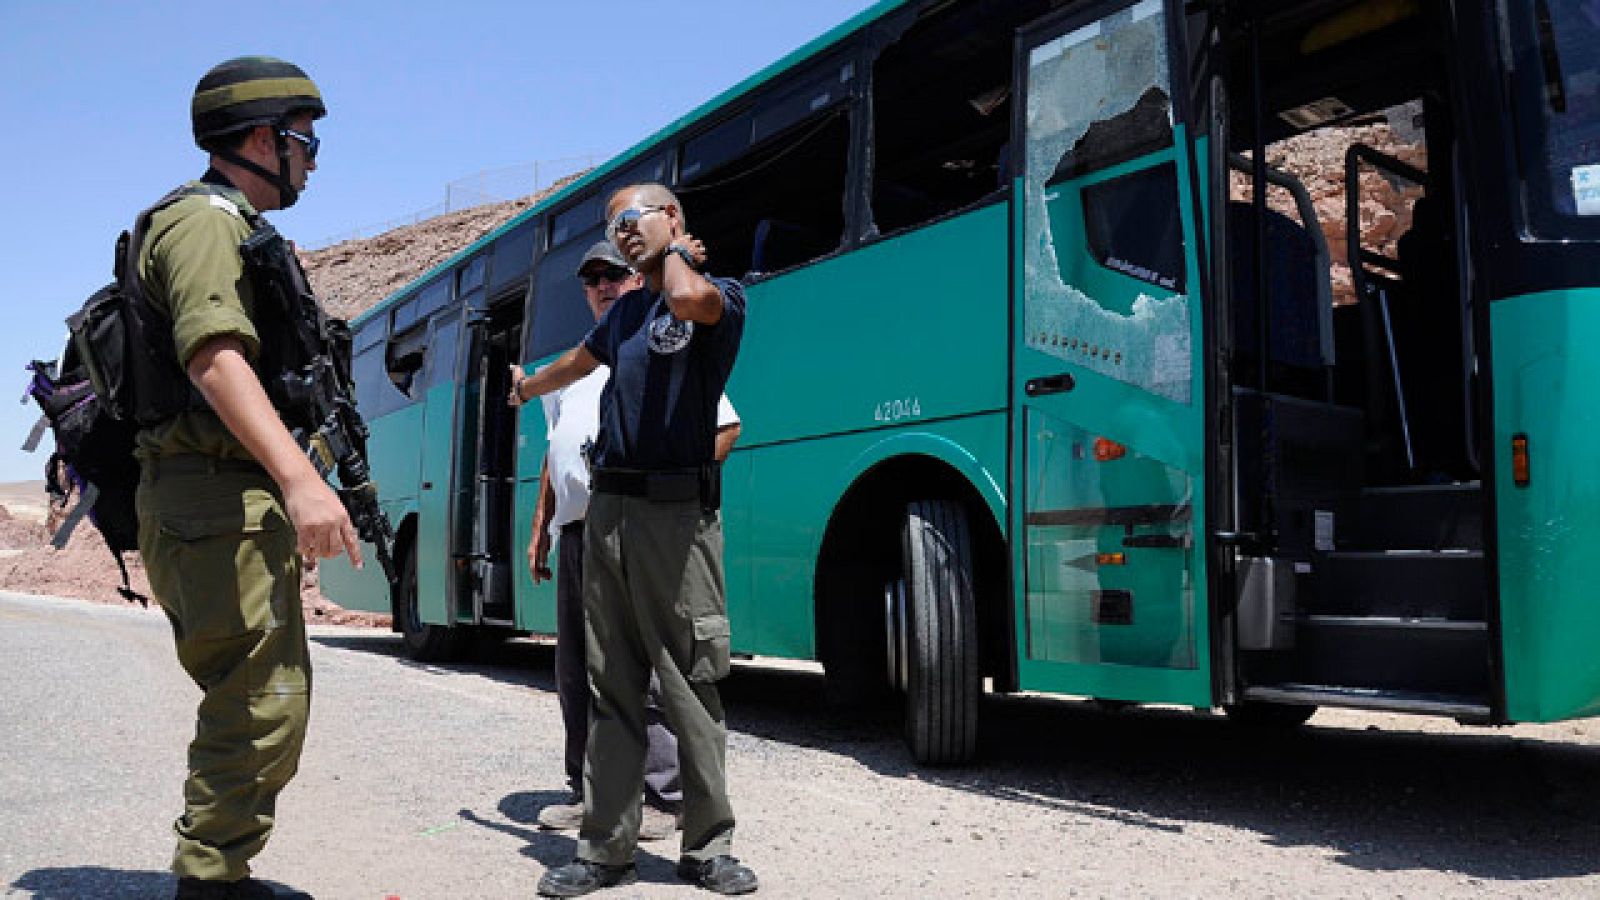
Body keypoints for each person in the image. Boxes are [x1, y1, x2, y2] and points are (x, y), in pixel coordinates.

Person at [134, 57, 361, 900]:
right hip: (210, 493)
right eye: (306, 140)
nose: (312, 158)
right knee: (259, 701)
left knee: (259, 698)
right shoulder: (201, 223)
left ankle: (217, 872)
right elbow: (213, 356)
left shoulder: (230, 223)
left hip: (223, 498)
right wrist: (299, 480)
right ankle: (210, 880)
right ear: (262, 138)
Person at [512, 183, 758, 897]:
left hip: (677, 520)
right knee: (610, 688)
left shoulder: (721, 298)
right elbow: (577, 365)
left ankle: (707, 848)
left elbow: (686, 302)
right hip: (609, 516)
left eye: (630, 220)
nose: (619, 237)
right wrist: (528, 391)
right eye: (610, 227)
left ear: (671, 217)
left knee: (689, 687)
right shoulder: (621, 317)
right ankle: (605, 852)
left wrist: (676, 256)